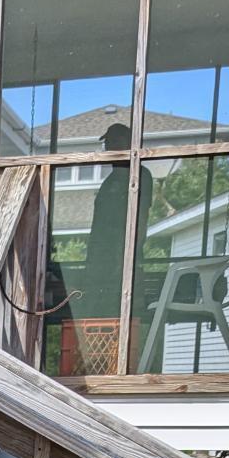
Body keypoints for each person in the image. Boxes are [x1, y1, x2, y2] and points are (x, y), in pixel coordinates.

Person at [83, 124, 152, 322]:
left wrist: (126, 258)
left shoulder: (139, 176)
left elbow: (140, 222)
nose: (108, 148)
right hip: (101, 260)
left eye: (113, 143)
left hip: (120, 260)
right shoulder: (111, 180)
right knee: (99, 315)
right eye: (107, 143)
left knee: (123, 314)